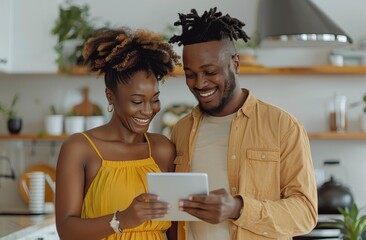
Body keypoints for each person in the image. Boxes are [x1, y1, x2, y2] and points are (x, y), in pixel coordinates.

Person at [169, 7, 318, 240]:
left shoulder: (283, 126)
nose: (199, 83)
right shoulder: (181, 130)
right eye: (190, 74)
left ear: (235, 64)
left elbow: (305, 214)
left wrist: (238, 208)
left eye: (210, 71)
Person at [55, 27, 180, 240]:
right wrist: (122, 220)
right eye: (137, 101)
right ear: (110, 97)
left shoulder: (163, 149)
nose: (148, 110)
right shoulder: (79, 148)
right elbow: (66, 230)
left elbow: (175, 230)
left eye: (155, 99)